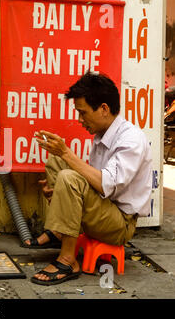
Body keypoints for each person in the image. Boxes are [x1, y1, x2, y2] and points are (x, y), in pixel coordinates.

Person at [28, 72, 152, 286]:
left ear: (104, 109)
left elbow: (106, 185)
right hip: (103, 209)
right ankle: (59, 231)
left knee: (68, 174)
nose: (79, 119)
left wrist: (67, 155)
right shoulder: (103, 134)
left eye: (82, 113)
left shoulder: (131, 139)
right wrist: (59, 193)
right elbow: (90, 180)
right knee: (58, 162)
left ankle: (68, 260)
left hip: (119, 224)